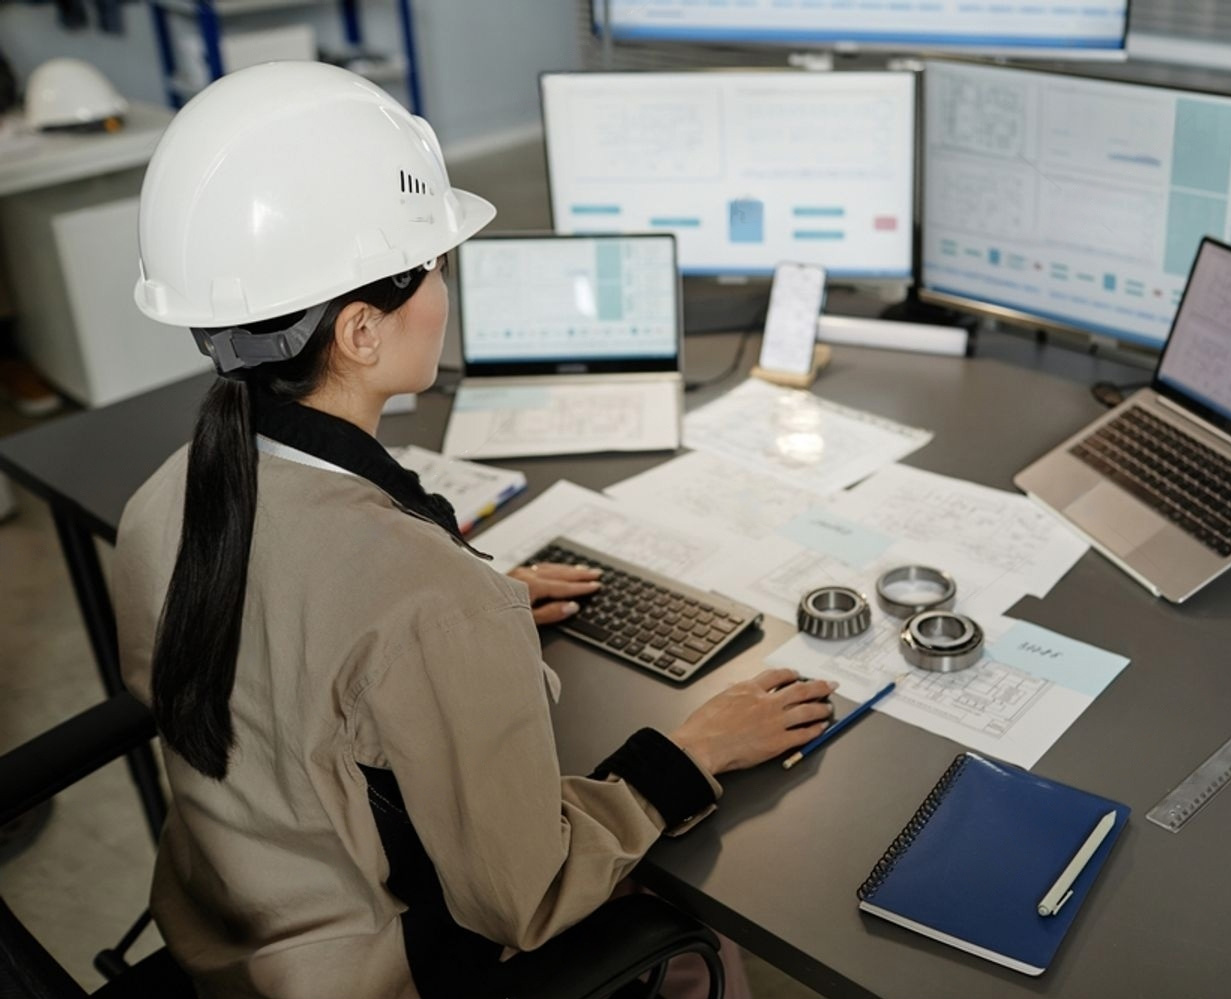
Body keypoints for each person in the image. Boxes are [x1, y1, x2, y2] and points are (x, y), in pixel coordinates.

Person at [111, 62, 836, 999]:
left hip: (224, 934)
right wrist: (693, 753)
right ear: (361, 332)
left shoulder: (164, 498)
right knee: (702, 946)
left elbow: (286, 669)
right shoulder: (424, 601)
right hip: (361, 974)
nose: (447, 285)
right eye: (436, 264)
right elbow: (524, 897)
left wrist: (469, 620)